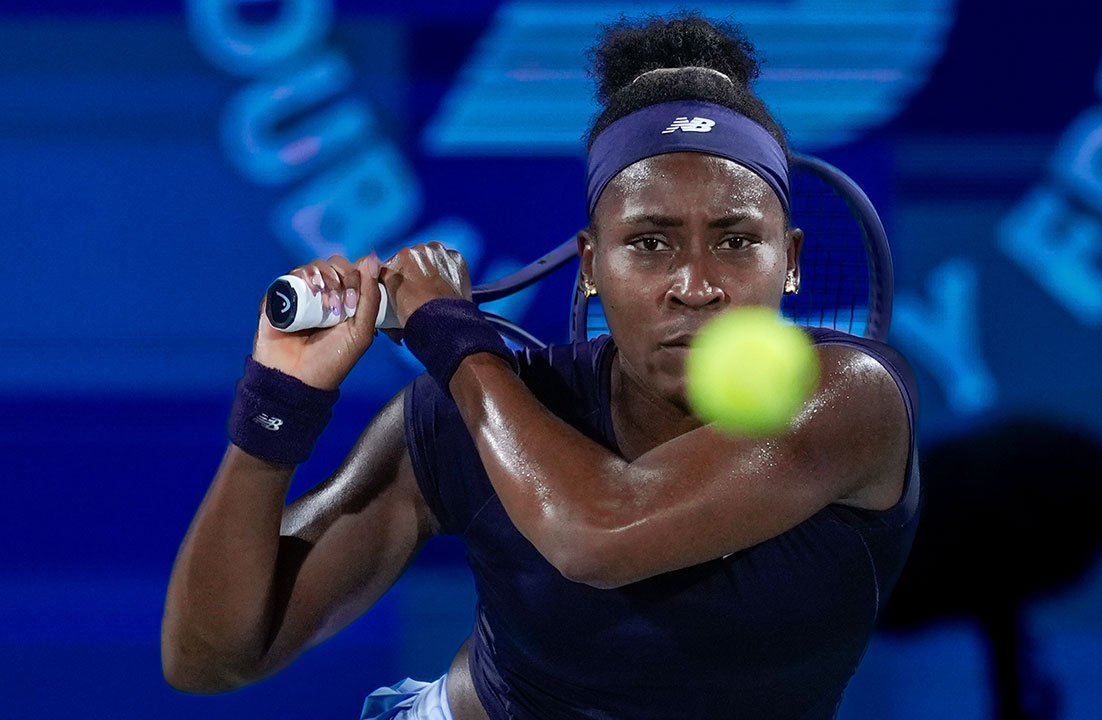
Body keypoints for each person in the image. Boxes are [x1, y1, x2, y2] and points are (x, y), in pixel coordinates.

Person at [161, 14, 919, 720]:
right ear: (590, 266)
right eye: (651, 243)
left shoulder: (850, 400)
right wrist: (278, 401)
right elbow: (210, 658)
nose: (695, 284)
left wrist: (453, 337)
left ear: (789, 261)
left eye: (735, 240)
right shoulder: (469, 409)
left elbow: (598, 535)